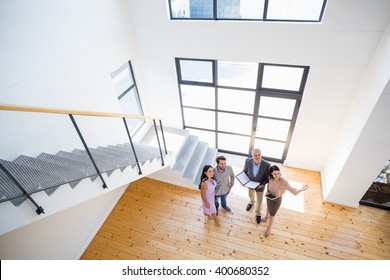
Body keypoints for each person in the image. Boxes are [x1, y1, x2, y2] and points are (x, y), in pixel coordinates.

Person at [262, 165, 309, 237]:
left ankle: (269, 227)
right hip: (269, 197)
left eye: (278, 173)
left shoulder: (285, 183)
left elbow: (294, 191)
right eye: (275, 174)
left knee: (272, 215)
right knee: (268, 208)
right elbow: (268, 186)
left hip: (276, 200)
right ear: (271, 174)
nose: (277, 175)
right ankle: (266, 217)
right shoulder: (270, 178)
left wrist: (301, 189)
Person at [242, 148, 270, 224]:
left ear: (261, 154)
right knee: (250, 194)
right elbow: (245, 171)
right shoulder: (248, 161)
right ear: (252, 155)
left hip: (260, 186)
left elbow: (267, 178)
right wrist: (244, 180)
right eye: (255, 155)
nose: (257, 157)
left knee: (259, 201)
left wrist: (262, 184)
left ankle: (258, 213)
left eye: (259, 155)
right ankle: (251, 202)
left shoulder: (267, 165)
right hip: (250, 184)